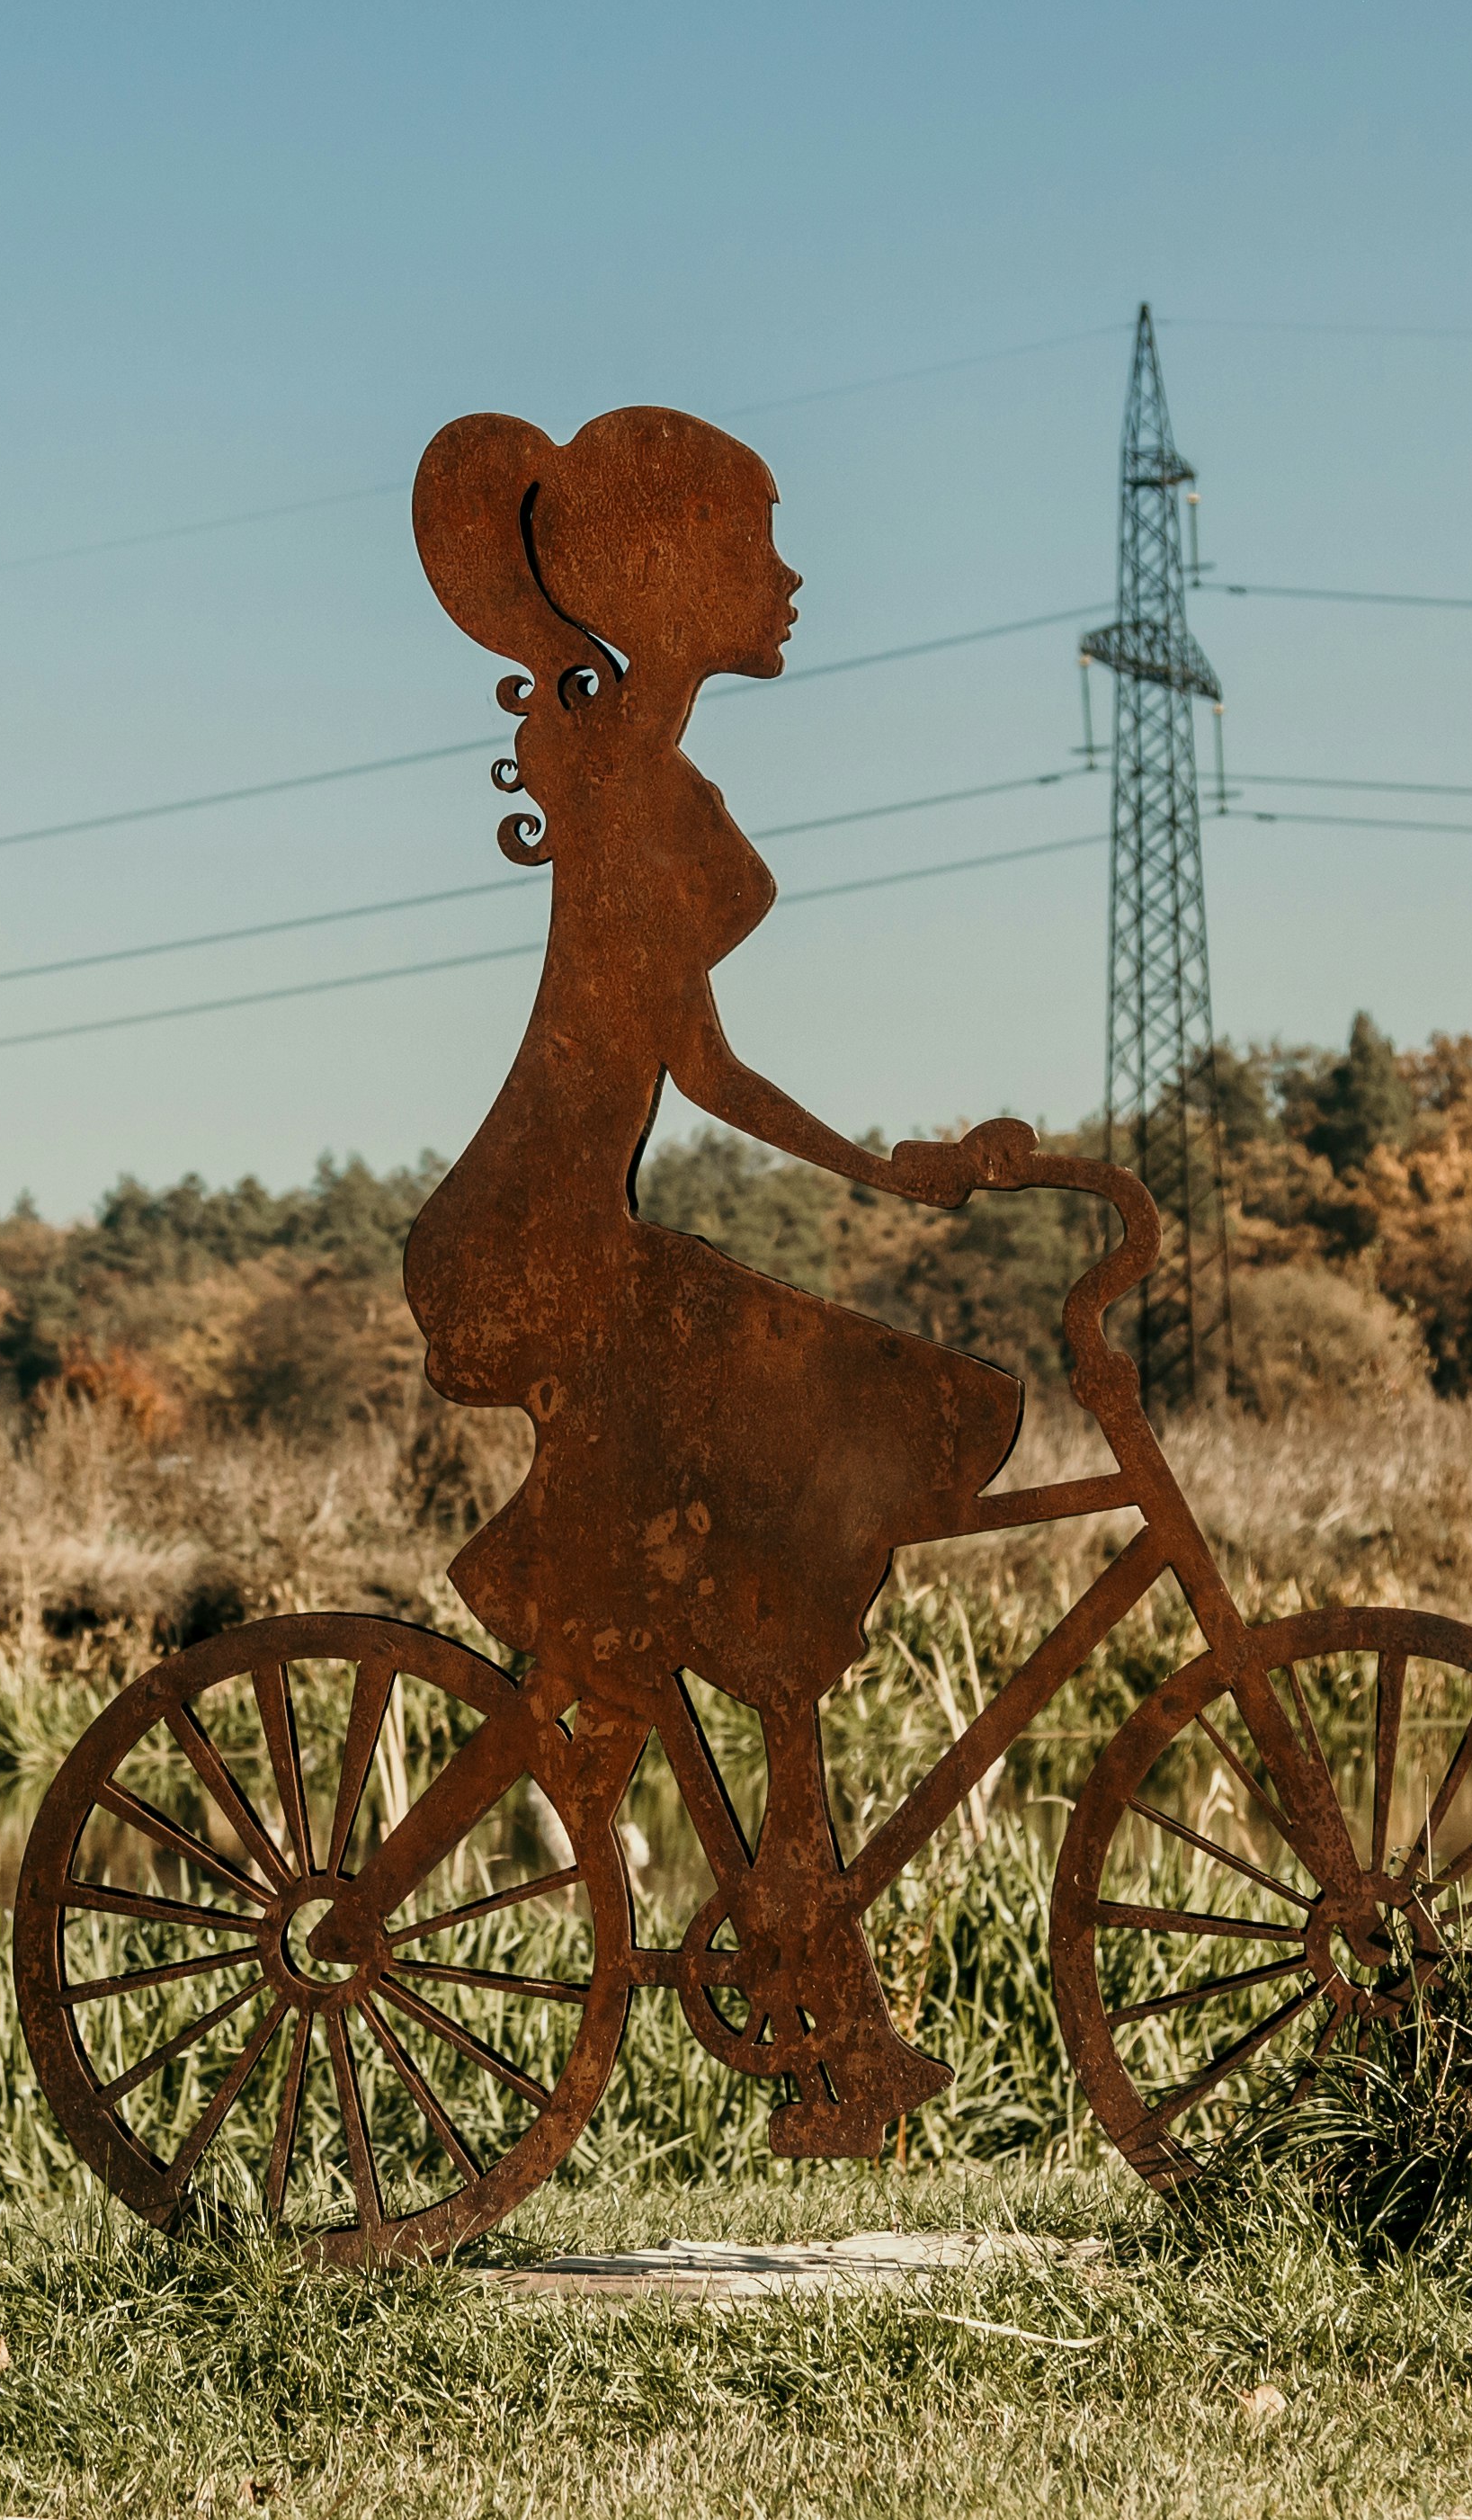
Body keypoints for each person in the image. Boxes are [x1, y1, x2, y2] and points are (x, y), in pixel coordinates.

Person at [401, 404, 1024, 2153]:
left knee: (802, 1562)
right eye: (758, 542)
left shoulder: (642, 783)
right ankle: (801, 1962)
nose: (795, 578)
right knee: (912, 1407)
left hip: (573, 1239)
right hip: (539, 1245)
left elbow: (698, 1067)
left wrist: (894, 1170)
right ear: (666, 572)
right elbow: (672, 1066)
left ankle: (818, 1993)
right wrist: (891, 1172)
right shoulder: (620, 784)